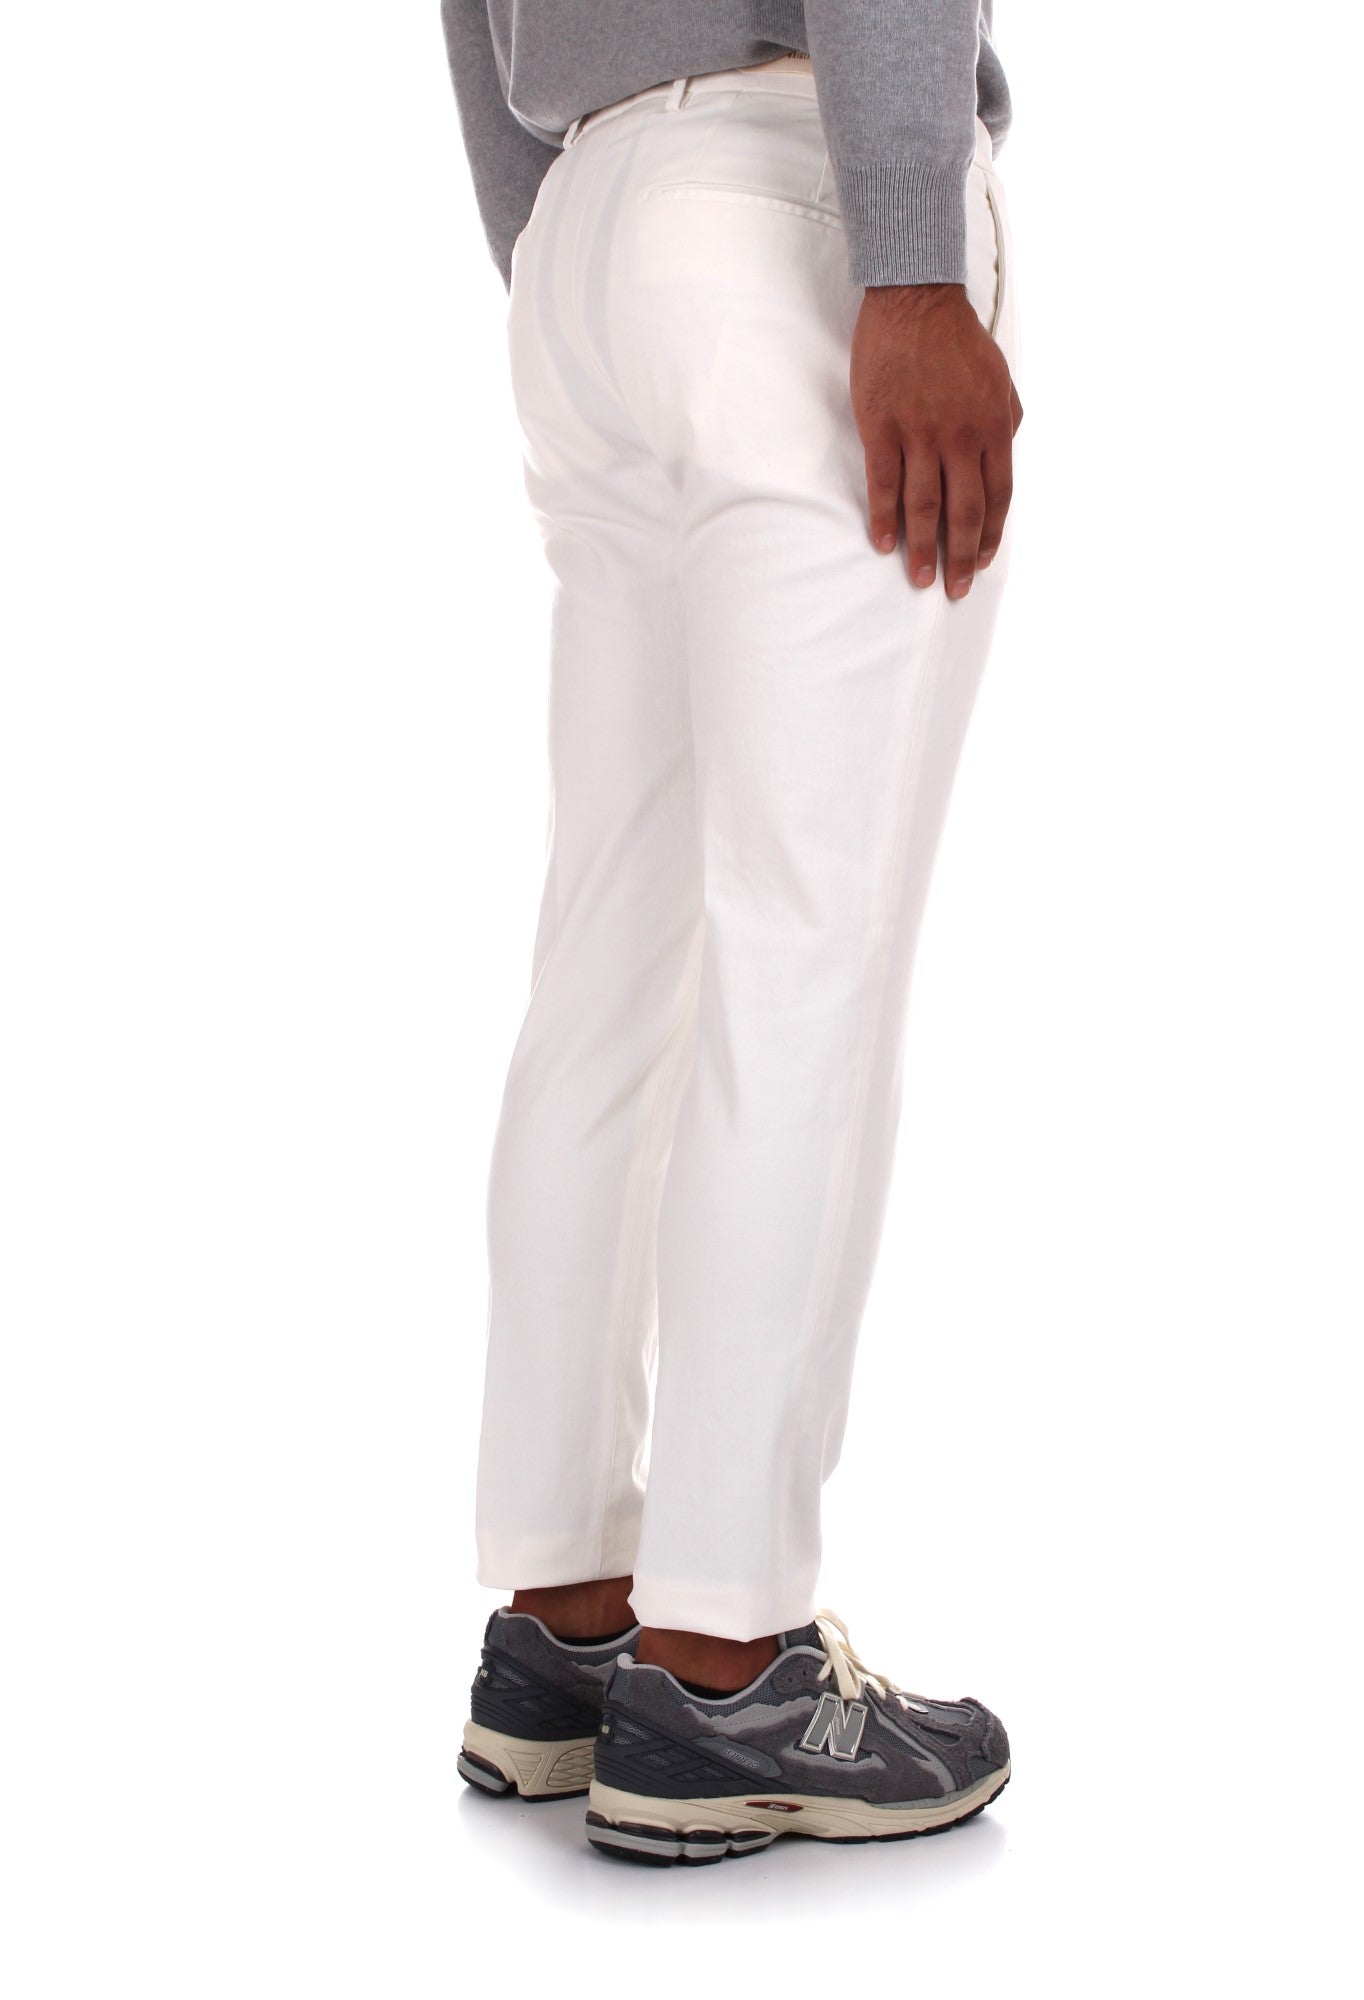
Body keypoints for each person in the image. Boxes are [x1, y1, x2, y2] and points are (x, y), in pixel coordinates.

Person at [442, 0, 1023, 1864]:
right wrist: (914, 254)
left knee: (608, 964)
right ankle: (722, 1670)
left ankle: (566, 1620)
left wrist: (562, 230)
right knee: (806, 954)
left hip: (592, 231)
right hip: (793, 208)